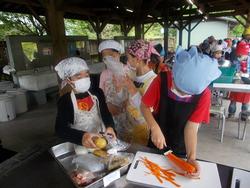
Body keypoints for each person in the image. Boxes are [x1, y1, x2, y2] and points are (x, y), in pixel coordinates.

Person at [140, 46, 221, 178]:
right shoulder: (162, 80)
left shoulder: (204, 95)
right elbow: (144, 106)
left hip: (182, 146)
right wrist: (154, 127)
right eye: (180, 88)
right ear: (174, 74)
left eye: (188, 93)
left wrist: (191, 158)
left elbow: (192, 127)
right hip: (157, 142)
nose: (183, 94)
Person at [55, 57, 116, 148]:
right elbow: (60, 129)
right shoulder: (65, 101)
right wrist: (82, 136)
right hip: (82, 145)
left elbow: (105, 113)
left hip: (102, 139)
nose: (84, 79)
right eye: (78, 76)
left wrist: (110, 127)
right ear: (68, 80)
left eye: (86, 75)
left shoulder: (97, 93)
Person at [119, 40, 160, 145]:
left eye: (128, 58)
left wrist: (132, 89)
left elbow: (148, 110)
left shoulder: (154, 80)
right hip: (129, 128)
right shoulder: (132, 76)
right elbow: (126, 100)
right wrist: (119, 89)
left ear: (137, 59)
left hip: (145, 132)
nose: (127, 62)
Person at [98, 40, 132, 142]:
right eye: (105, 57)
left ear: (118, 53)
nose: (108, 60)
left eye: (111, 56)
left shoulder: (129, 70)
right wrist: (107, 106)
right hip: (111, 116)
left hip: (128, 115)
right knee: (114, 140)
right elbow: (101, 95)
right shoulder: (104, 74)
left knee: (129, 139)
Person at [228, 41, 250, 118]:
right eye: (238, 55)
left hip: (247, 84)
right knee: (233, 101)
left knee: (245, 102)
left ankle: (244, 116)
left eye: (240, 55)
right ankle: (231, 115)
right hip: (237, 82)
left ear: (246, 54)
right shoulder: (235, 60)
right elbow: (232, 71)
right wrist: (236, 73)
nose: (239, 57)